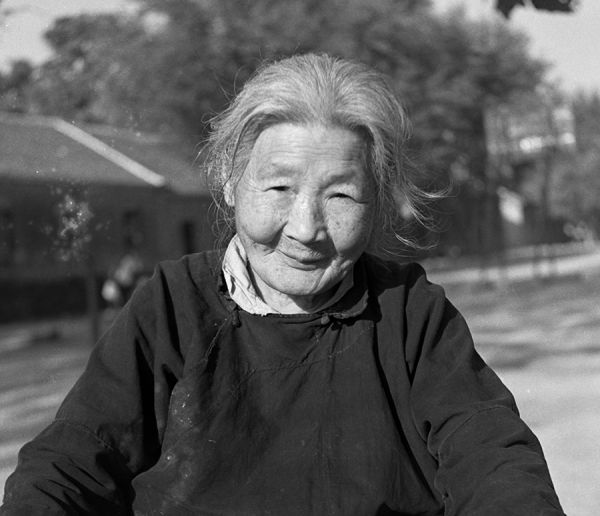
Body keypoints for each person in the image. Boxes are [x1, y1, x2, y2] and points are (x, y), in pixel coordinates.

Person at [1, 54, 565, 515]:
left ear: (377, 204)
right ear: (230, 182)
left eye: (340, 195)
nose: (306, 228)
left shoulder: (410, 313)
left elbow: (490, 450)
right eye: (279, 189)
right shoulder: (173, 304)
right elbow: (73, 460)